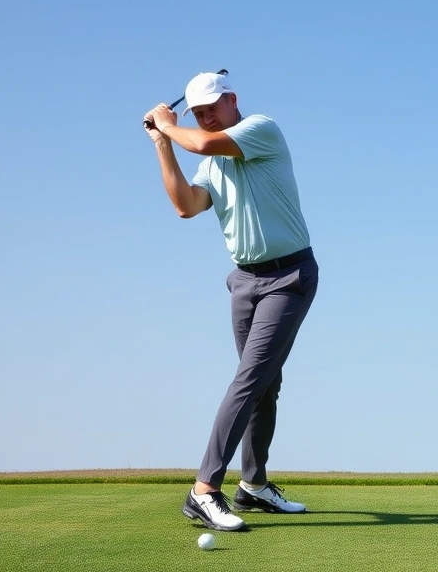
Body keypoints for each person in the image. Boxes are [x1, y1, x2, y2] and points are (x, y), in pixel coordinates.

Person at [143, 71, 319, 532]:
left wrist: (167, 124)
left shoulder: (260, 128)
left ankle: (204, 489)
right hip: (244, 282)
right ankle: (254, 485)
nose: (205, 118)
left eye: (211, 109)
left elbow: (201, 144)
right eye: (198, 113)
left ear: (232, 101)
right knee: (263, 383)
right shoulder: (208, 161)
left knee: (249, 379)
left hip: (289, 277)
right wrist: (162, 144)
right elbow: (186, 205)